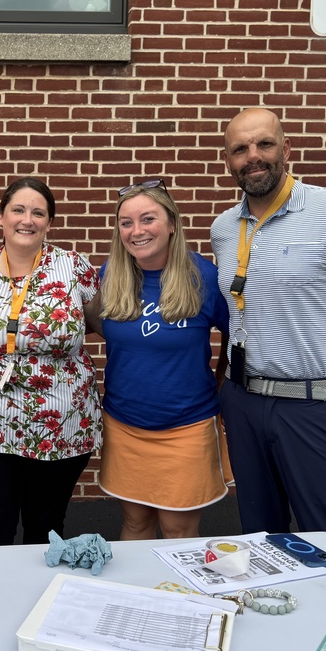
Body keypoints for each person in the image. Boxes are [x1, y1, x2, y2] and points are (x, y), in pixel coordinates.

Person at [210, 107, 326, 537]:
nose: (252, 156)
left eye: (264, 144)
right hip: (243, 401)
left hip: (310, 405)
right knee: (260, 536)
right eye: (240, 149)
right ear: (228, 162)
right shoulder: (223, 227)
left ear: (286, 149)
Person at [0, 178, 101, 547]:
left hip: (60, 421)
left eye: (38, 212)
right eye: (18, 210)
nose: (27, 220)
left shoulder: (73, 267)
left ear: (49, 222)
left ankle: (44, 602)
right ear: (0, 217)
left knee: (46, 529)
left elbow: (99, 323)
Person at [93, 179, 232, 540]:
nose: (136, 231)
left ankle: (179, 597)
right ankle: (134, 599)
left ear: (172, 223)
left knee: (178, 529)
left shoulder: (203, 276)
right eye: (126, 223)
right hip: (125, 423)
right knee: (136, 524)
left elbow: (242, 333)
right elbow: (85, 320)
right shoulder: (110, 276)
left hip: (186, 426)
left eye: (148, 219)